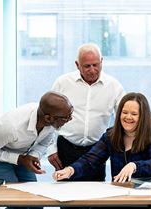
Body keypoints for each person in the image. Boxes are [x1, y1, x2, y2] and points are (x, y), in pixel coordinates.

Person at [47, 43, 125, 181]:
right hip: (66, 147)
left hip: (97, 150)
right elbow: (47, 118)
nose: (92, 70)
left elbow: (126, 117)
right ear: (77, 65)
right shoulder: (62, 83)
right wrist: (50, 149)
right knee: (67, 196)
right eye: (87, 66)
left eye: (96, 65)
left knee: (96, 197)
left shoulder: (114, 86)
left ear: (102, 62)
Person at [53, 92, 151, 184]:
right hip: (119, 193)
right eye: (124, 112)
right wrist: (70, 170)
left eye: (134, 114)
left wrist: (134, 165)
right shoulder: (111, 136)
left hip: (147, 195)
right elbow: (90, 160)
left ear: (143, 117)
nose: (128, 117)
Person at [0, 91, 73, 183]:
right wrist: (19, 159)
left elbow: (44, 143)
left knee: (30, 189)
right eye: (66, 117)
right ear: (48, 118)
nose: (70, 119)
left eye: (70, 114)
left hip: (22, 153)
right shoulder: (11, 127)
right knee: (11, 193)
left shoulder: (51, 119)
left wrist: (33, 156)